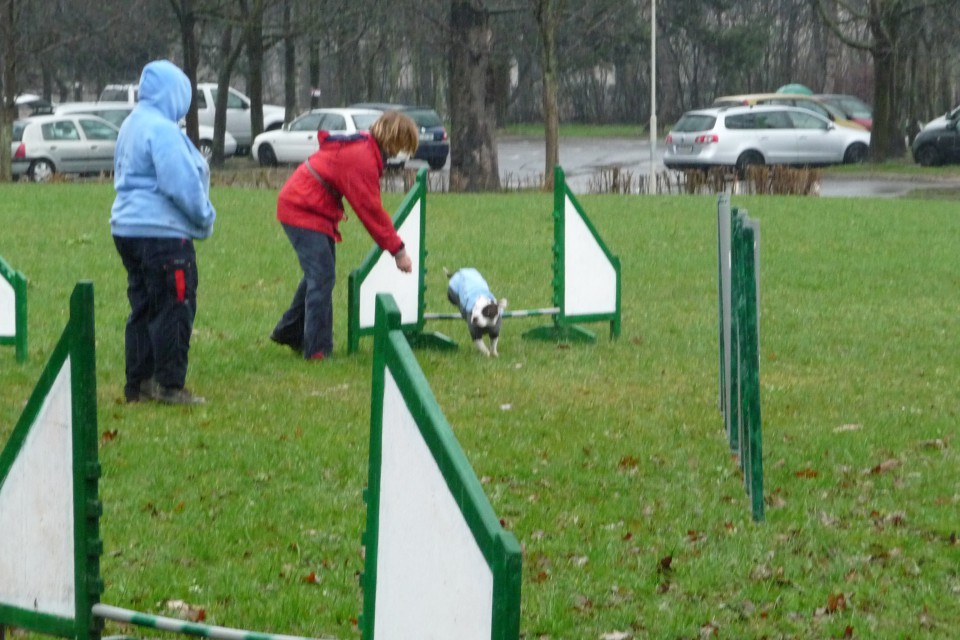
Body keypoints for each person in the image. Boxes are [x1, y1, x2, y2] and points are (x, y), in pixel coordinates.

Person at [270, 110, 417, 360]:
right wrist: (398, 250)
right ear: (393, 139)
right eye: (402, 145)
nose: (399, 153)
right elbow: (371, 211)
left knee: (318, 275)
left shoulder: (364, 148)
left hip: (312, 208)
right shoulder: (362, 157)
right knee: (321, 277)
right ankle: (317, 349)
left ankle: (289, 332)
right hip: (302, 208)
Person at [111, 60, 216, 405]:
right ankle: (169, 385)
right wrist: (204, 216)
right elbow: (180, 183)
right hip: (163, 234)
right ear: (174, 95)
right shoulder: (164, 130)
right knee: (175, 304)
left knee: (143, 305)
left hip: (127, 230)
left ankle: (138, 382)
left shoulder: (131, 124)